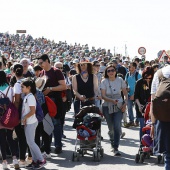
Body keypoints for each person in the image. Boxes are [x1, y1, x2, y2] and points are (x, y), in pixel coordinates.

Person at [38, 54, 66, 154]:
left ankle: (58, 145)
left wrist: (50, 89)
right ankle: (47, 146)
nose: (40, 65)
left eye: (41, 62)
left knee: (56, 123)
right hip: (45, 101)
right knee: (46, 124)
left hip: (55, 100)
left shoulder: (56, 71)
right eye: (39, 63)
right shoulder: (42, 73)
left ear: (47, 61)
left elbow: (63, 86)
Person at [101, 65, 128, 156]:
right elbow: (103, 95)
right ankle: (112, 141)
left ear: (115, 71)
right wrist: (111, 100)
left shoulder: (120, 80)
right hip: (107, 106)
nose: (111, 72)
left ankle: (115, 147)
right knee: (111, 127)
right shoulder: (104, 81)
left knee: (117, 125)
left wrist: (125, 102)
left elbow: (125, 93)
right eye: (109, 71)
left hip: (118, 105)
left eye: (112, 70)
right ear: (106, 73)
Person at [21, 78, 47, 169]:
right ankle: (35, 160)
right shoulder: (28, 96)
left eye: (23, 87)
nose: (21, 88)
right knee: (30, 142)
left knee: (31, 142)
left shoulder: (30, 97)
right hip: (29, 122)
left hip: (31, 122)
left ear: (29, 87)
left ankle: (41, 159)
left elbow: (32, 111)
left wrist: (24, 118)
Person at [150, 65, 170, 170]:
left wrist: (152, 124)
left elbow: (153, 101)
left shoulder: (159, 73)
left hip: (163, 119)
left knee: (168, 156)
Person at [0, 71, 19, 169]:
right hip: (10, 115)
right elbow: (14, 102)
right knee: (10, 138)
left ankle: (4, 162)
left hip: (0, 116)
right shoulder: (11, 89)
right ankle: (15, 159)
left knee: (2, 139)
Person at [134, 66, 154, 140]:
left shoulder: (154, 82)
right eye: (146, 78)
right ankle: (141, 144)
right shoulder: (139, 82)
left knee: (151, 126)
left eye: (150, 78)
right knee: (143, 126)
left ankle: (150, 144)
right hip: (141, 107)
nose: (148, 80)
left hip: (151, 108)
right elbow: (136, 96)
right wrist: (139, 105)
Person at [125, 62, 141, 127]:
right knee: (129, 108)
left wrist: (134, 95)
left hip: (137, 95)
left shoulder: (138, 75)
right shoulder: (127, 74)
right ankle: (131, 121)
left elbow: (140, 86)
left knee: (137, 108)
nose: (129, 68)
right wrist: (127, 88)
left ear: (134, 67)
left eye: (130, 66)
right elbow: (125, 83)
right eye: (129, 66)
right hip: (129, 94)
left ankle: (137, 121)